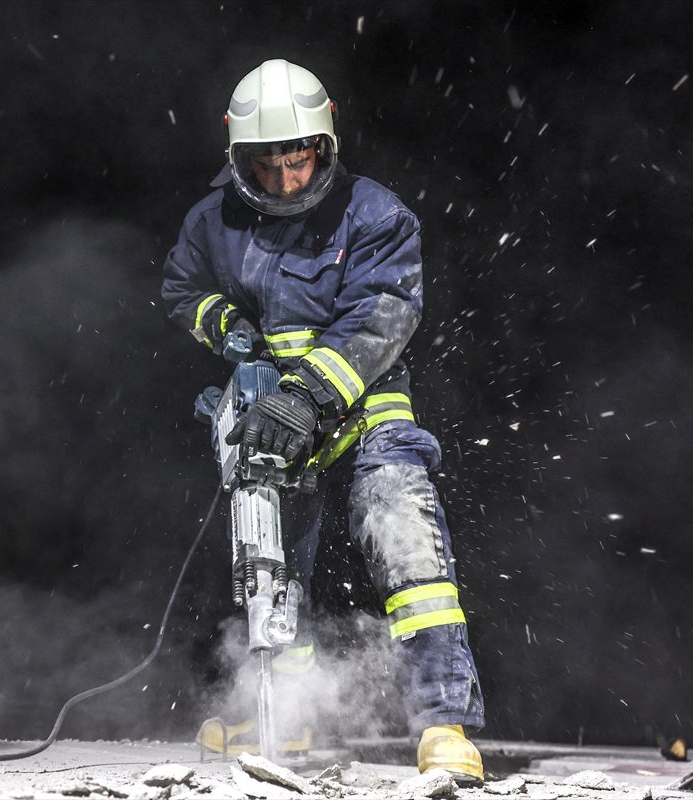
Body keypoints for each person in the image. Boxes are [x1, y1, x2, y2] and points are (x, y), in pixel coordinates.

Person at [161, 59, 485, 782]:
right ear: (238, 154)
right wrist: (230, 332)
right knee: (272, 567)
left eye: (297, 159)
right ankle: (289, 713)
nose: (284, 180)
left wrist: (307, 394)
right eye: (267, 164)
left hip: (365, 411)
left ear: (323, 142)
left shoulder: (375, 215)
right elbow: (182, 288)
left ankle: (443, 723)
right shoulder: (213, 220)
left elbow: (381, 319)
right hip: (277, 418)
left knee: (405, 542)